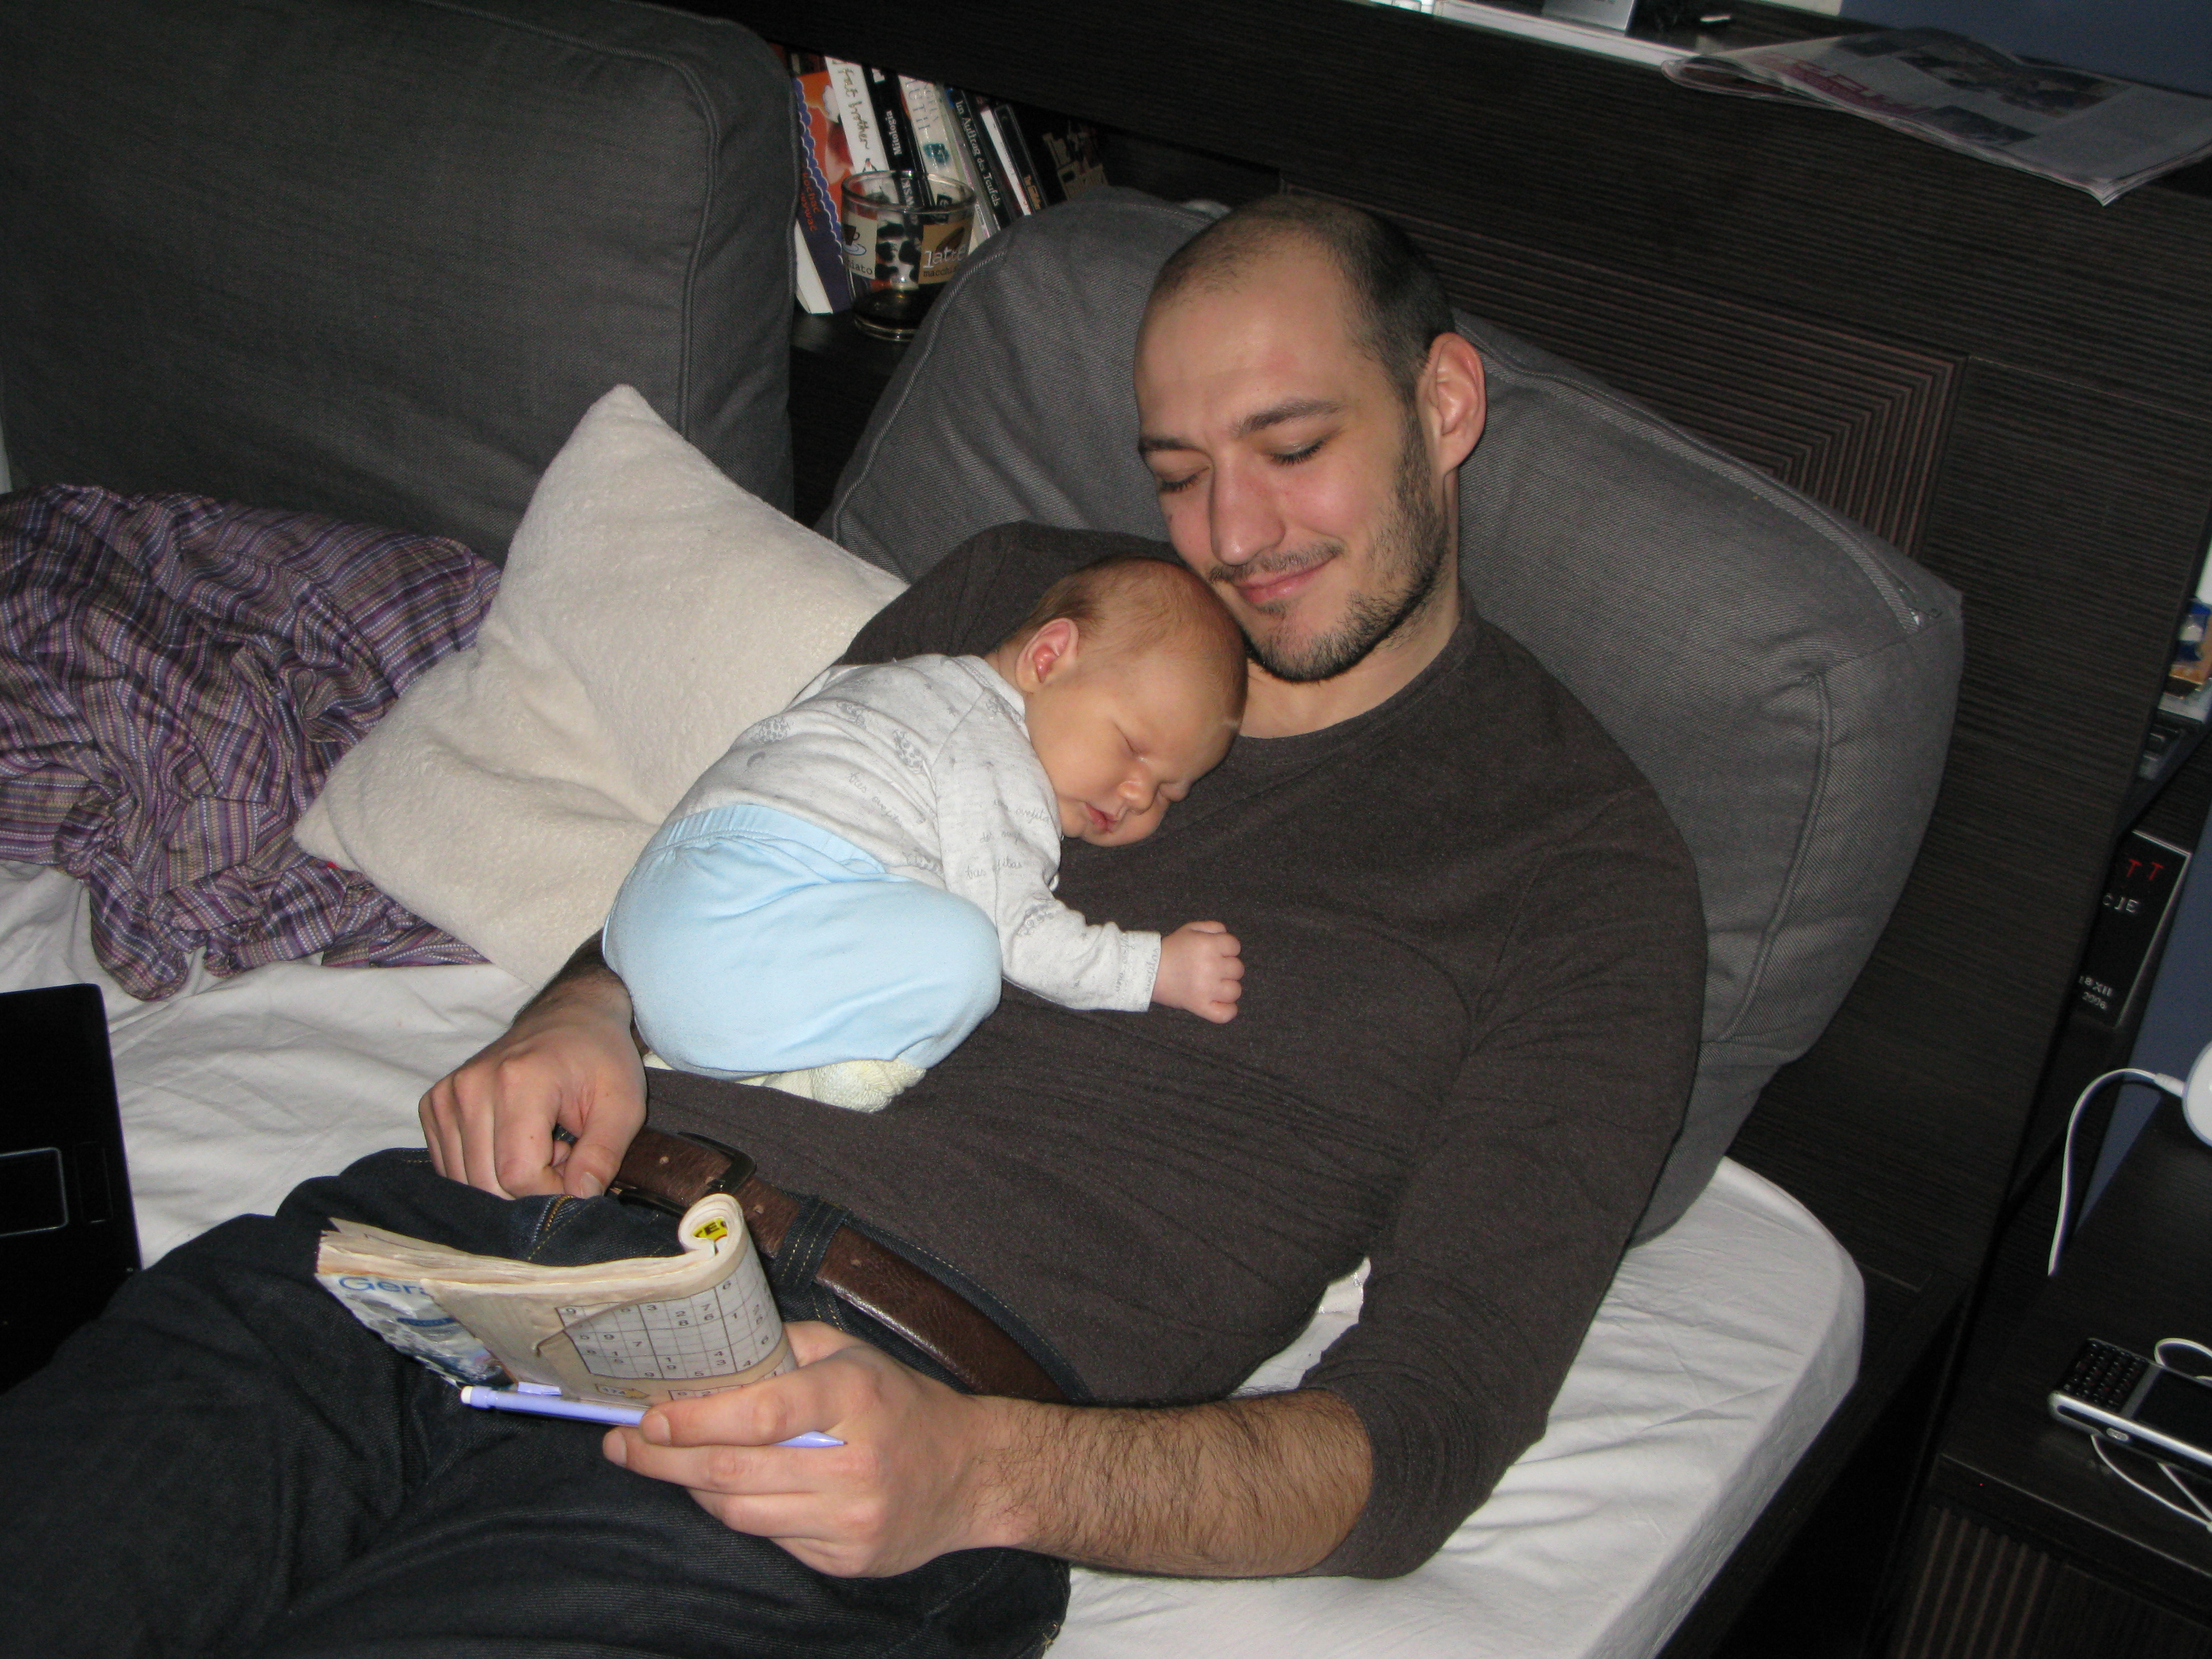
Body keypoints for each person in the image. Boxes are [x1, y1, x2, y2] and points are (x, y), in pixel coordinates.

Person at [0, 195, 1705, 1656]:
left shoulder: (1579, 870)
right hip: (478, 1243)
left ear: (1443, 401)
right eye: (1180, 474)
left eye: (1294, 448)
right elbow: (742, 839)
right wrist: (586, 1005)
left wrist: (979, 1475)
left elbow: (1417, 1439)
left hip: (849, 1447)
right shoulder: (1024, 592)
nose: (1234, 537)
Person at [603, 555, 1248, 1113]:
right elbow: (1022, 936)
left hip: (649, 905)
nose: (1138, 795)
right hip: (748, 917)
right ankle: (810, 1082)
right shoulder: (996, 754)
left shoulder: (896, 680)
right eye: (1131, 746)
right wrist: (1153, 969)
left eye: (1169, 792)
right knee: (966, 955)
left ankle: (719, 1048)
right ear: (1047, 658)